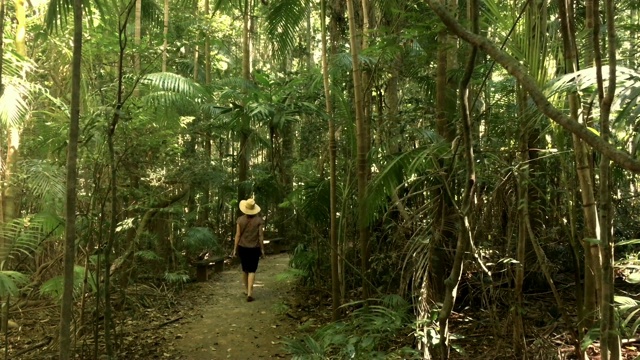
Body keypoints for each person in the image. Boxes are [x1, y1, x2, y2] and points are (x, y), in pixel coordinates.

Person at [232, 198, 265, 302]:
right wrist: (262, 249)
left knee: (244, 269)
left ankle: (246, 290)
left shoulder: (240, 220)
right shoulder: (259, 220)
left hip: (242, 248)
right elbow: (260, 236)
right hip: (254, 248)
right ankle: (250, 293)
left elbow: (237, 235)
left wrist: (234, 249)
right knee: (252, 270)